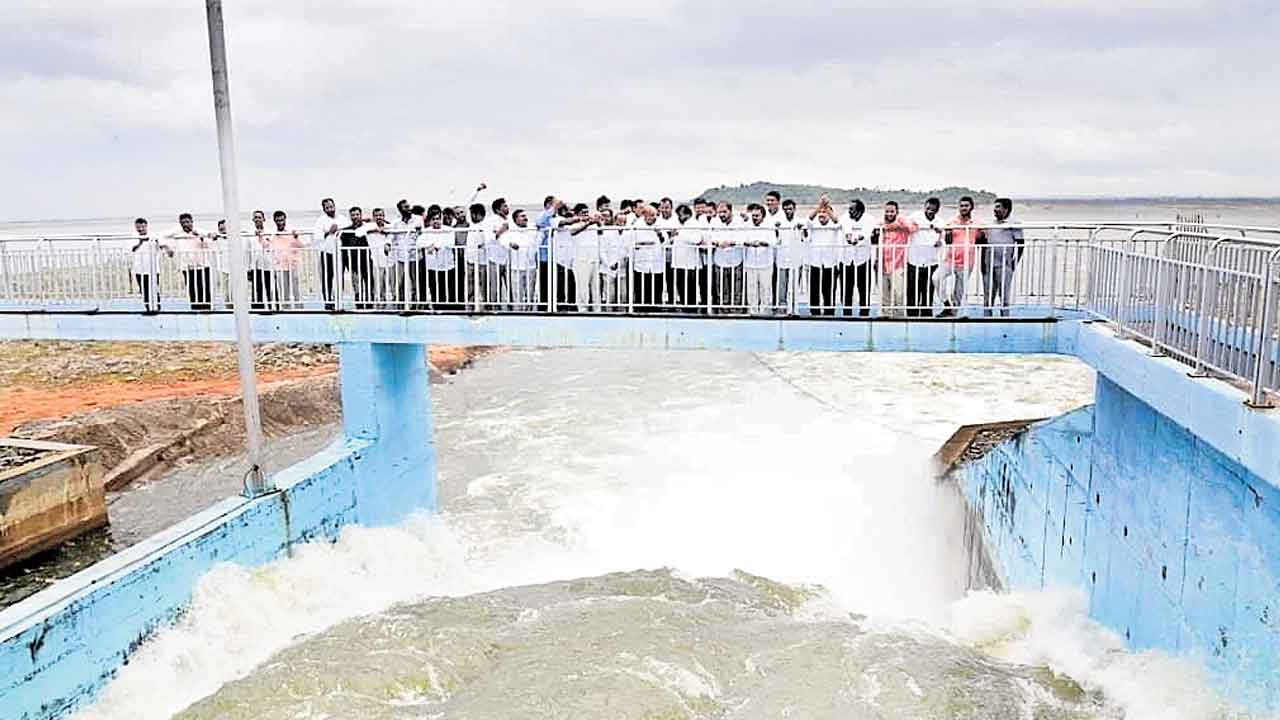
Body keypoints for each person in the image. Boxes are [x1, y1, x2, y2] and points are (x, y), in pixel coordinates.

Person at [977, 197, 1025, 317]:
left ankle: (1005, 320)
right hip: (988, 264)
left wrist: (1015, 261)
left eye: (998, 207)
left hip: (1004, 264)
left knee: (1004, 295)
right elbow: (983, 244)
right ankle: (987, 320)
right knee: (988, 296)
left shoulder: (1014, 224)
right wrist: (982, 262)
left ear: (1006, 209)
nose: (995, 210)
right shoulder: (990, 224)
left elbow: (1020, 244)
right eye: (995, 207)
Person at [934, 196, 979, 317]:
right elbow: (947, 240)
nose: (963, 208)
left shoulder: (976, 223)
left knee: (959, 290)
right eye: (962, 206)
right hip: (950, 259)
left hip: (967, 262)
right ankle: (946, 303)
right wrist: (946, 233)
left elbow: (982, 238)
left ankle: (953, 313)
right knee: (936, 278)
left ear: (971, 207)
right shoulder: (952, 221)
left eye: (966, 206)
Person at [875, 201, 916, 317]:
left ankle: (900, 316)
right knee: (884, 293)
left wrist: (898, 223)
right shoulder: (880, 224)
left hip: (897, 264)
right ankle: (885, 315)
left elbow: (912, 228)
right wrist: (877, 260)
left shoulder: (901, 223)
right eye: (887, 211)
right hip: (883, 263)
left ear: (897, 212)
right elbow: (878, 243)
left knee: (899, 293)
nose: (889, 214)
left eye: (892, 211)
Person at [905, 198, 944, 317]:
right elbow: (904, 223)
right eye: (928, 208)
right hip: (914, 261)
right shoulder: (915, 216)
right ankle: (911, 316)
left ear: (937, 210)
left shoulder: (940, 222)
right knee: (912, 292)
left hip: (931, 262)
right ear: (924, 207)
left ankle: (926, 316)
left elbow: (943, 238)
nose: (930, 211)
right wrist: (913, 226)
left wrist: (941, 241)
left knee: (928, 292)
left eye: (933, 210)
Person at [166, 213, 213, 311]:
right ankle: (195, 308)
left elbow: (209, 244)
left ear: (192, 222)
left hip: (202, 265)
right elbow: (163, 236)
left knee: (204, 288)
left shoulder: (200, 231)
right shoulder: (177, 234)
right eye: (183, 222)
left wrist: (200, 237)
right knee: (192, 289)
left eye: (187, 222)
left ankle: (207, 309)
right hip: (187, 267)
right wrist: (167, 248)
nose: (185, 224)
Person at [807, 197, 842, 316]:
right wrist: (819, 207)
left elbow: (839, 222)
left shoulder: (834, 225)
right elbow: (808, 220)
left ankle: (829, 312)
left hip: (830, 263)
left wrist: (827, 208)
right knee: (814, 289)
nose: (822, 214)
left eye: (825, 212)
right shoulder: (813, 224)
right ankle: (814, 312)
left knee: (829, 290)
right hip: (815, 262)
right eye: (820, 213)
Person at [130, 218, 172, 313]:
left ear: (146, 226)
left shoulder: (154, 236)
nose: (140, 229)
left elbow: (162, 244)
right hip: (139, 269)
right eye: (138, 227)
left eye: (142, 226)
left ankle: (156, 307)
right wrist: (140, 242)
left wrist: (168, 249)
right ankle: (148, 307)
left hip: (153, 269)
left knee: (154, 288)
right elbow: (132, 249)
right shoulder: (133, 237)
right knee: (143, 289)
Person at [630, 205, 667, 312]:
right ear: (644, 215)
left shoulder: (660, 224)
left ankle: (657, 310)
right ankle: (641, 311)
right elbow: (631, 242)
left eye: (654, 215)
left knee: (657, 289)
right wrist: (641, 244)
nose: (653, 217)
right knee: (641, 289)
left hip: (656, 264)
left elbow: (665, 241)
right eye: (650, 215)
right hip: (642, 263)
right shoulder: (637, 225)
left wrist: (659, 233)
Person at [841, 200, 874, 316]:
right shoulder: (845, 217)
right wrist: (849, 237)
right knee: (846, 288)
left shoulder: (869, 219)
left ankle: (864, 313)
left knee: (864, 288)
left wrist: (858, 239)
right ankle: (847, 313)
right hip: (847, 259)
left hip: (863, 258)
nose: (849, 211)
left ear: (859, 211)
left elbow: (866, 233)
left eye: (851, 209)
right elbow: (846, 230)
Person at [742, 203, 775, 315]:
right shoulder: (747, 227)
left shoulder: (769, 227)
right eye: (753, 215)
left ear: (762, 216)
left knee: (765, 289)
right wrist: (749, 243)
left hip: (765, 263)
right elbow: (743, 240)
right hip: (750, 263)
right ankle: (753, 311)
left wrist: (762, 243)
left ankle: (765, 311)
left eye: (757, 216)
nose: (754, 218)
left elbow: (773, 241)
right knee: (751, 289)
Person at [311, 198, 344, 310]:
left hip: (340, 253)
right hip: (327, 253)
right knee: (327, 278)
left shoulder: (342, 218)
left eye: (332, 206)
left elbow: (351, 228)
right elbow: (317, 236)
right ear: (324, 209)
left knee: (339, 278)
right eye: (328, 207)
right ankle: (328, 301)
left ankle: (338, 300)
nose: (331, 209)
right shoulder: (321, 221)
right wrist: (329, 232)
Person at [267, 210, 304, 310]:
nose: (280, 222)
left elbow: (301, 246)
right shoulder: (273, 234)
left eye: (282, 220)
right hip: (280, 266)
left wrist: (296, 238)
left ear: (285, 220)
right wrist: (260, 237)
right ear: (275, 221)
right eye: (278, 220)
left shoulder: (291, 232)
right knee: (284, 290)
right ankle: (286, 309)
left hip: (293, 264)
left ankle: (299, 309)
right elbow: (267, 246)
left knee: (296, 289)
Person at [774, 199, 806, 311]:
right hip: (783, 257)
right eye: (786, 209)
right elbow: (776, 239)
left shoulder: (800, 222)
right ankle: (781, 307)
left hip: (797, 258)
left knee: (794, 284)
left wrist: (802, 229)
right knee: (782, 284)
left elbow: (805, 238)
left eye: (790, 209)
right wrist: (776, 229)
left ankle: (793, 307)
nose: (788, 211)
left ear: (794, 209)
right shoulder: (779, 222)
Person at [711, 201, 743, 311]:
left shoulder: (739, 221)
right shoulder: (714, 222)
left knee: (736, 288)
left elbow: (742, 238)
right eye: (720, 212)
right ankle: (723, 309)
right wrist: (718, 243)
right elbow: (711, 237)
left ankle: (735, 310)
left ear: (730, 211)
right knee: (721, 287)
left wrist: (731, 242)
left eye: (724, 212)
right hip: (720, 260)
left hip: (736, 259)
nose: (722, 215)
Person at [570, 204, 602, 312]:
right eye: (583, 212)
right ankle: (582, 309)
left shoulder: (593, 224)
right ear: (577, 214)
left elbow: (601, 231)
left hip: (594, 259)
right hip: (581, 260)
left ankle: (597, 309)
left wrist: (598, 222)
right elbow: (573, 232)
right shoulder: (574, 224)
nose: (586, 214)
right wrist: (587, 223)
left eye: (587, 212)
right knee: (582, 287)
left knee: (596, 287)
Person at [390, 199, 422, 306]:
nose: (409, 209)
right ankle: (401, 303)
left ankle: (416, 303)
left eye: (409, 206)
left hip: (415, 256)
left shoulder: (418, 219)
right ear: (400, 210)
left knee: (415, 281)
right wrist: (387, 244)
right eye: (405, 207)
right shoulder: (396, 223)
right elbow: (391, 236)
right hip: (401, 257)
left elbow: (421, 234)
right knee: (400, 281)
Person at [338, 206, 371, 309]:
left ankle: (370, 305)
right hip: (353, 263)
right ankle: (359, 306)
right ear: (350, 216)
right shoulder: (346, 232)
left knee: (369, 284)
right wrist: (347, 264)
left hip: (367, 261)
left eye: (357, 214)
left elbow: (382, 225)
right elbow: (343, 249)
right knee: (357, 287)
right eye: (353, 215)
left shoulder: (367, 227)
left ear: (361, 215)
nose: (355, 217)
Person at [671, 203, 702, 310]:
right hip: (679, 262)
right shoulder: (679, 225)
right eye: (679, 215)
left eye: (682, 215)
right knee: (681, 287)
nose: (680, 217)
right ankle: (685, 307)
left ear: (688, 214)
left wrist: (679, 234)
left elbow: (697, 239)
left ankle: (691, 309)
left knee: (690, 288)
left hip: (690, 263)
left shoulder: (694, 224)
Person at [485, 198, 512, 309]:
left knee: (511, 287)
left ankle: (512, 310)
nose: (507, 208)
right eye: (504, 206)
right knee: (494, 288)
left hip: (509, 259)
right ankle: (495, 310)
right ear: (498, 209)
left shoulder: (511, 220)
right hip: (495, 258)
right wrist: (501, 230)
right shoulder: (490, 221)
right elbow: (489, 238)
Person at [551, 202, 577, 310]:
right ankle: (560, 308)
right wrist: (578, 218)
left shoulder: (571, 223)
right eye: (566, 210)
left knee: (571, 285)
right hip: (560, 260)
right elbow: (563, 222)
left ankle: (571, 306)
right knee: (560, 286)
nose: (569, 212)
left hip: (571, 261)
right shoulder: (555, 220)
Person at [365, 208, 393, 308]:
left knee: (393, 285)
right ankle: (380, 304)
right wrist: (375, 229)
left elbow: (391, 236)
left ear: (384, 216)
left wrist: (387, 243)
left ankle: (395, 304)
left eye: (381, 215)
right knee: (378, 285)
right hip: (376, 261)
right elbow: (358, 232)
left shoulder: (389, 227)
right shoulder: (369, 227)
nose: (379, 217)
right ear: (373, 217)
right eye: (376, 216)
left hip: (390, 261)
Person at [464, 203, 488, 310]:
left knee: (483, 285)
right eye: (472, 214)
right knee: (470, 284)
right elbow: (467, 204)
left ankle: (484, 306)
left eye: (475, 214)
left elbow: (488, 240)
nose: (473, 216)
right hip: (470, 260)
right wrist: (477, 191)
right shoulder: (471, 224)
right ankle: (470, 305)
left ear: (480, 215)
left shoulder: (485, 226)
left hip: (482, 260)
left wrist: (482, 244)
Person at [248, 210, 273, 310]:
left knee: (270, 288)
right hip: (255, 266)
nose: (257, 219)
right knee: (257, 289)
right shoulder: (249, 234)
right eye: (256, 217)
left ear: (264, 219)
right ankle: (257, 310)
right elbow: (248, 251)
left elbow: (270, 246)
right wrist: (249, 267)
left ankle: (272, 308)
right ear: (253, 220)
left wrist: (261, 236)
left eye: (259, 217)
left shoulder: (270, 232)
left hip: (268, 265)